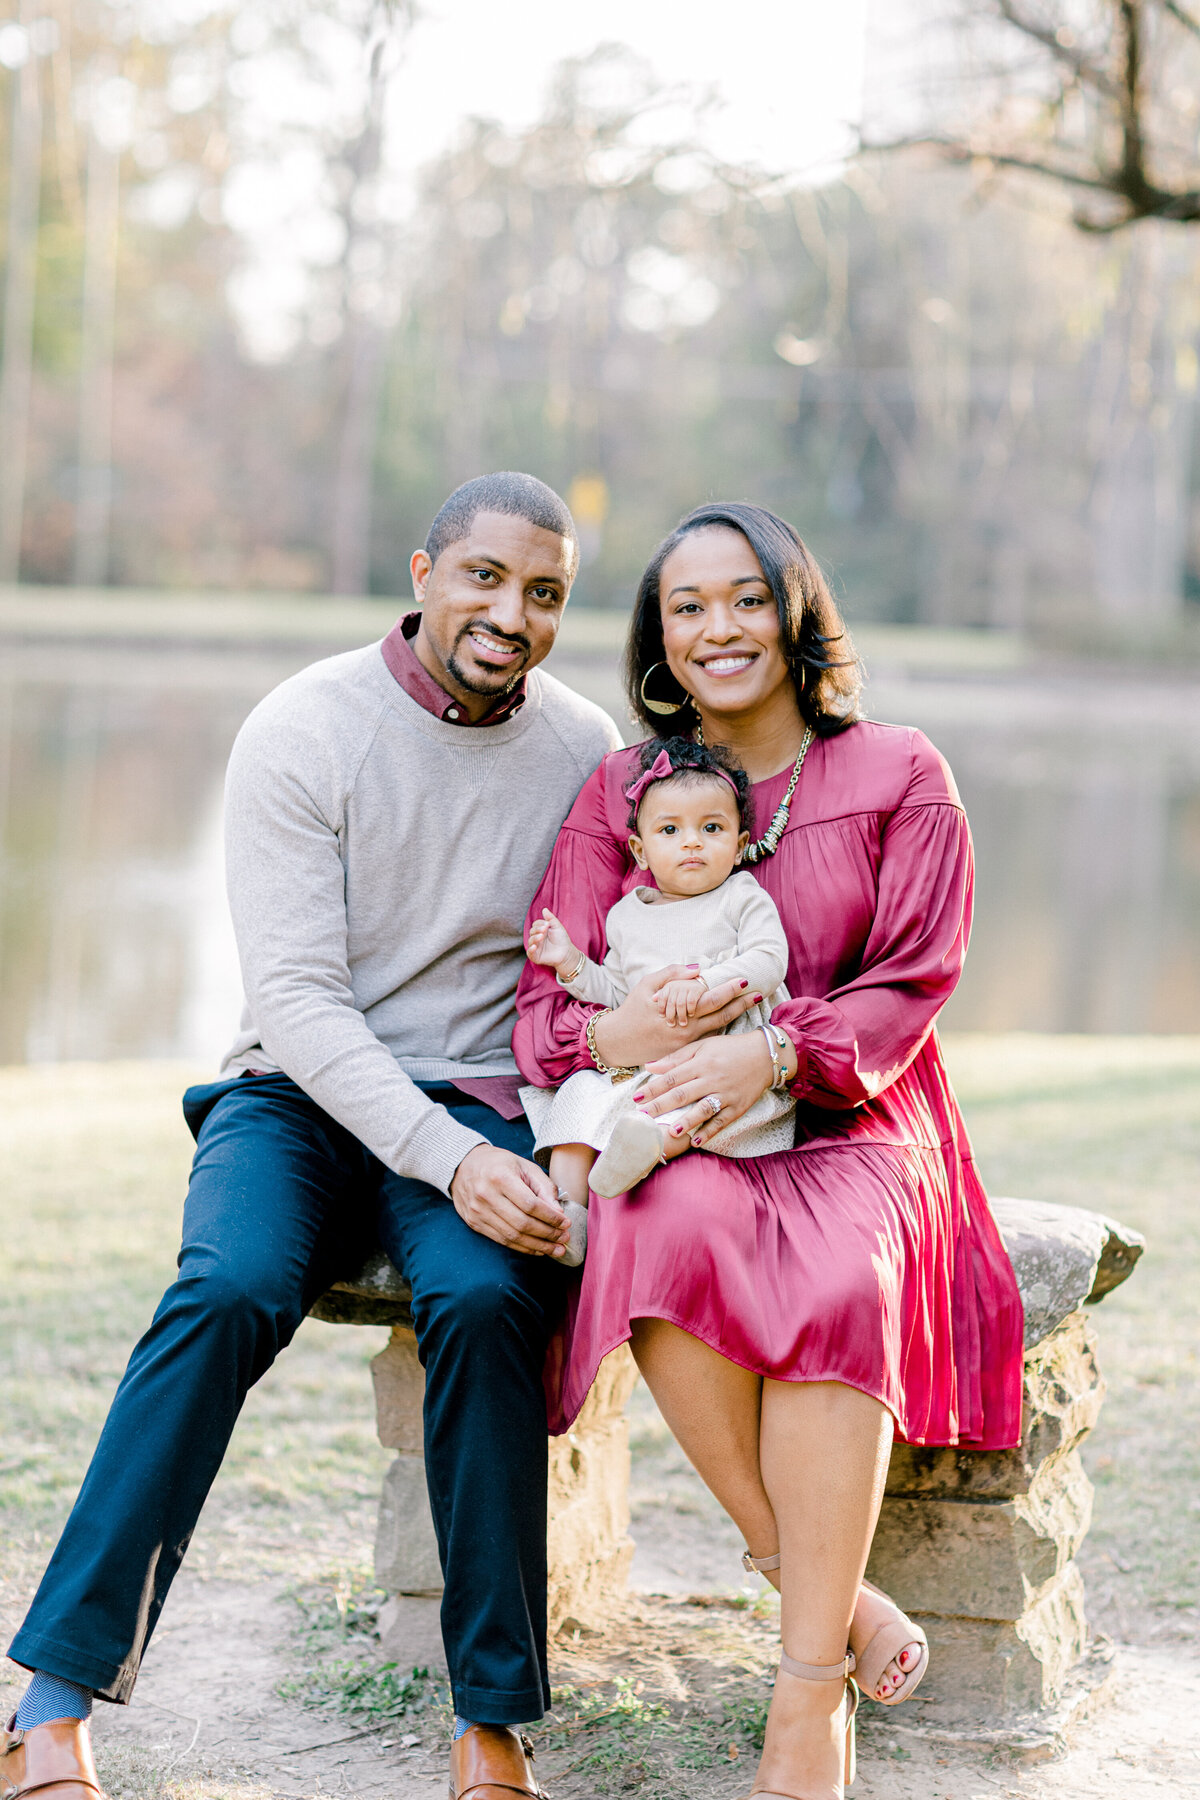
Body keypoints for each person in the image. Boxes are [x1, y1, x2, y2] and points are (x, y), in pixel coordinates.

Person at [3, 472, 636, 1800]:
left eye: (543, 595)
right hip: (293, 1092)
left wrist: (524, 1143)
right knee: (225, 1286)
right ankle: (52, 1698)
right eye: (483, 578)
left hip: (479, 1100)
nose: (508, 614)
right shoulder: (305, 726)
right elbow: (293, 998)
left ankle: (491, 1721)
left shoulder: (587, 752)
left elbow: (607, 966)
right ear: (422, 573)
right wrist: (445, 1157)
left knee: (480, 1298)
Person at [514, 503, 1025, 1800]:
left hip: (864, 1106)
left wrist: (777, 1052)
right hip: (684, 1115)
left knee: (841, 1274)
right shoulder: (620, 796)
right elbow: (546, 1012)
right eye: (687, 607)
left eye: (744, 598)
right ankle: (834, 1600)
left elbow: (914, 981)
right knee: (655, 1222)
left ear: (796, 610)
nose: (719, 628)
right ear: (658, 639)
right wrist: (654, 1031)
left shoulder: (899, 772)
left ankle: (807, 1705)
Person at [522, 736, 796, 1251]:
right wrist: (570, 963)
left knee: (692, 1102)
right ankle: (569, 1217)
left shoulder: (740, 896)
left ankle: (652, 1143)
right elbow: (617, 993)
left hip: (723, 1050)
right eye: (671, 830)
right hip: (651, 1057)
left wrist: (705, 986)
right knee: (579, 1094)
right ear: (641, 850)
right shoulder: (628, 916)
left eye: (711, 829)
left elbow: (767, 960)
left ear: (738, 845)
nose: (692, 842)